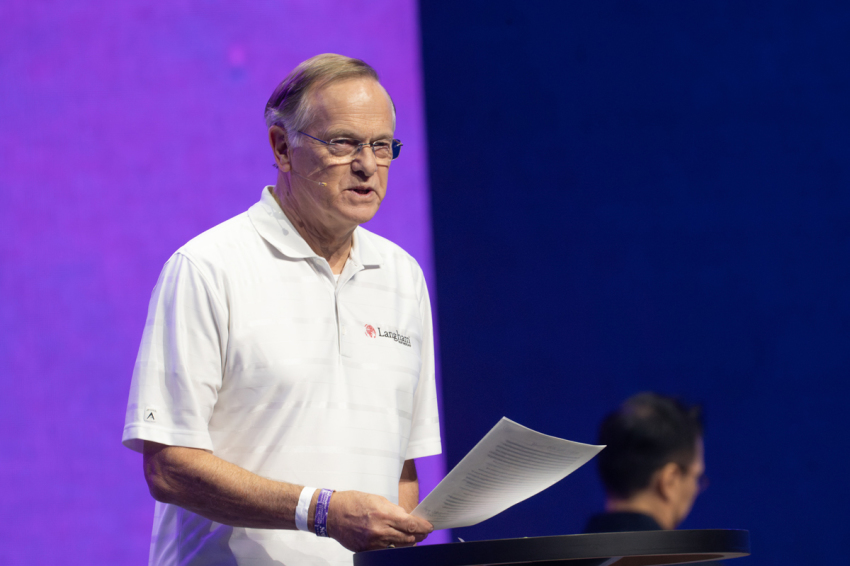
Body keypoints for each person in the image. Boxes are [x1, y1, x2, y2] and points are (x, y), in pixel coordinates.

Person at [122, 54, 441, 566]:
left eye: (381, 146)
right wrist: (321, 512)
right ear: (281, 147)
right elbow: (170, 467)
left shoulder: (403, 277)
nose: (366, 165)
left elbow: (401, 467)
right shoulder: (208, 267)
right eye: (343, 143)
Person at [584, 392, 707, 534]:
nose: (696, 489)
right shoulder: (675, 556)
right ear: (670, 480)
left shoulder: (563, 554)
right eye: (697, 477)